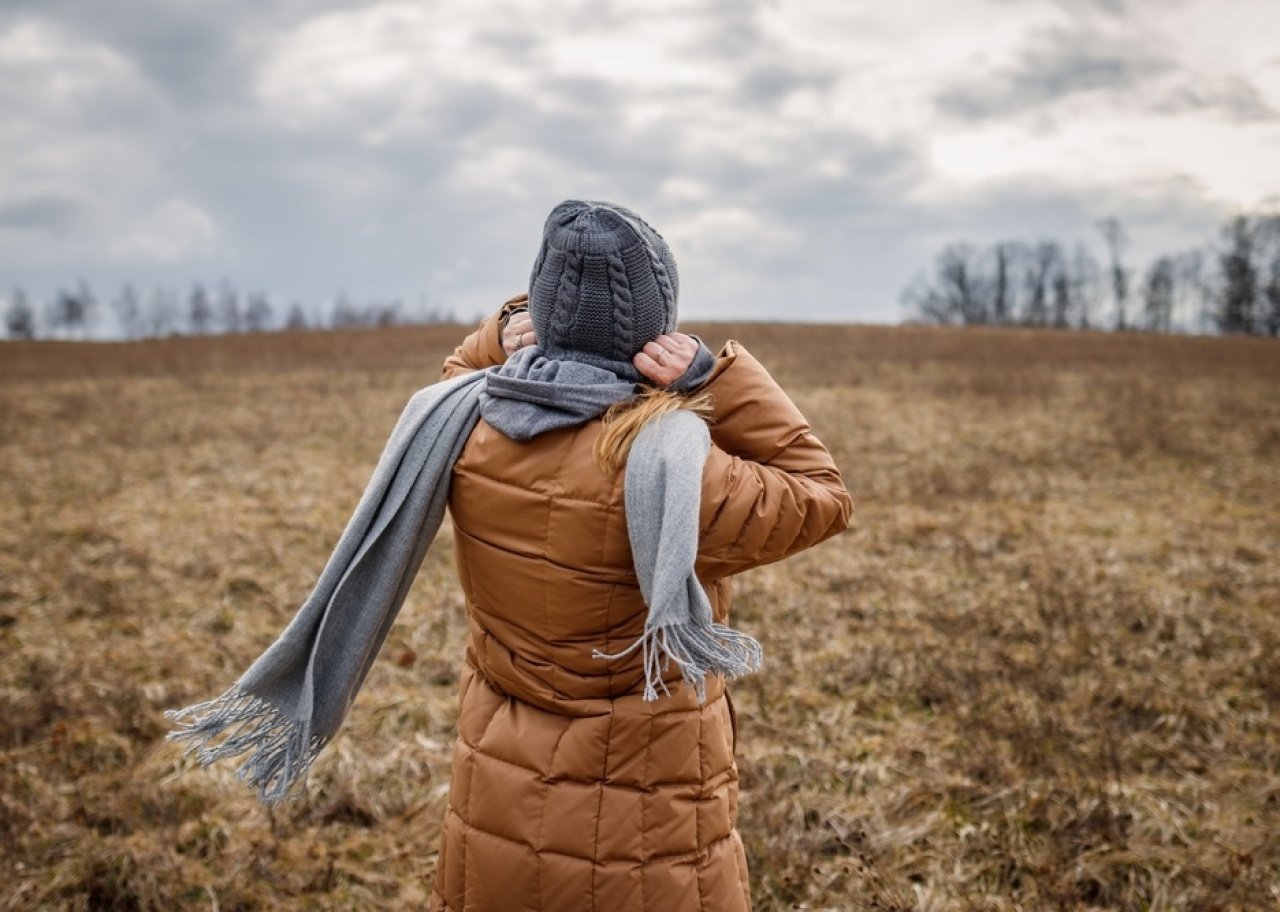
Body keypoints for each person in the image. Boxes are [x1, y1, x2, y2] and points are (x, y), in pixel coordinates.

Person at [427, 200, 854, 911]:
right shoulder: (674, 467)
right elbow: (821, 494)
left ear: (543, 309)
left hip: (496, 797)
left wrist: (497, 336)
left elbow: (452, 376)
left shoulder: (466, 429)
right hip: (646, 836)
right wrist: (715, 379)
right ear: (655, 330)